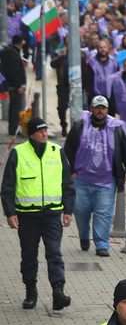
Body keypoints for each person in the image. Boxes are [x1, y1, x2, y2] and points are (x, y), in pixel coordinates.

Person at [2, 117, 74, 310]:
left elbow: (66, 183)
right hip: (27, 216)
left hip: (52, 214)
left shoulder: (56, 151)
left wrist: (68, 210)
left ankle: (58, 292)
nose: (44, 134)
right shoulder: (19, 153)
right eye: (40, 131)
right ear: (31, 134)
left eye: (45, 130)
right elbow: (7, 186)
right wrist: (10, 213)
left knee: (54, 253)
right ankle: (30, 292)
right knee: (29, 256)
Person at [63, 95, 126, 257]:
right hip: (82, 179)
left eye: (103, 108)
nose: (100, 111)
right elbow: (68, 149)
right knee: (81, 210)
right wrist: (71, 170)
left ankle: (102, 244)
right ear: (91, 108)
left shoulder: (116, 129)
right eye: (97, 107)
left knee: (104, 212)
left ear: (107, 110)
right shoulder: (79, 126)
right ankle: (83, 235)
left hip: (106, 180)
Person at [1, 33, 27, 136]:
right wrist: (18, 86)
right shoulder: (12, 54)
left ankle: (13, 128)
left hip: (12, 85)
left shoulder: (12, 52)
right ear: (20, 43)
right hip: (15, 87)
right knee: (15, 108)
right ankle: (13, 129)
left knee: (14, 108)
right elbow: (14, 71)